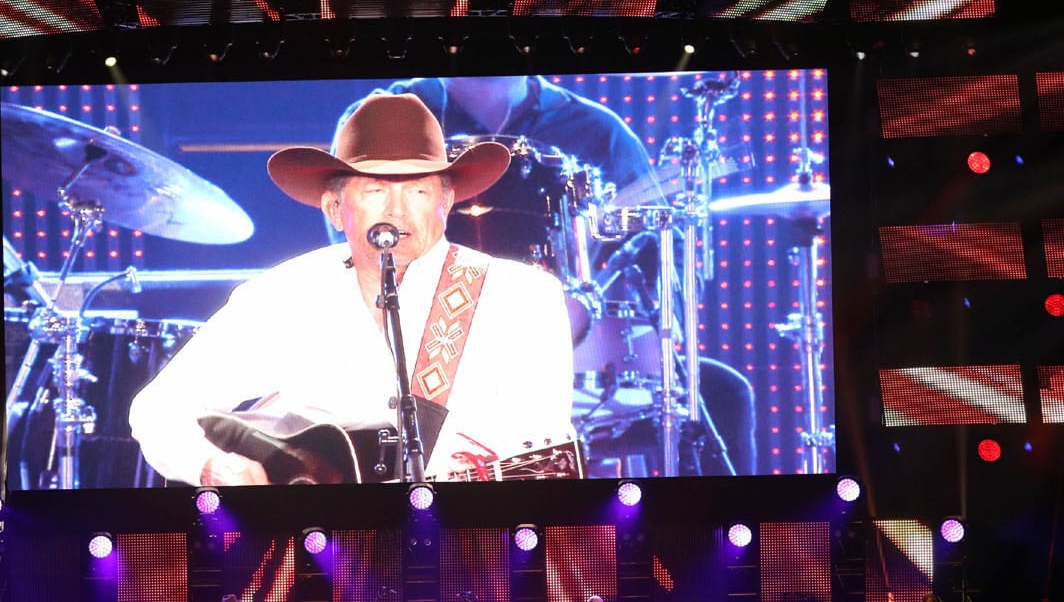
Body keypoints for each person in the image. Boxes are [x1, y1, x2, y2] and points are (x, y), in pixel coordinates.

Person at [128, 92, 575, 486]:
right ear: (334, 209)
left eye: (418, 191)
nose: (398, 210)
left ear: (446, 201)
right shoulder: (281, 297)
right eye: (376, 189)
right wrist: (212, 466)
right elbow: (158, 410)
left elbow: (541, 464)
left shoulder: (523, 299)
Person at [344, 76, 758, 478]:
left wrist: (663, 318)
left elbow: (662, 243)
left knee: (723, 395)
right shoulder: (384, 119)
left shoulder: (598, 132)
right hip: (423, 352)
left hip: (576, 348)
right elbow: (356, 260)